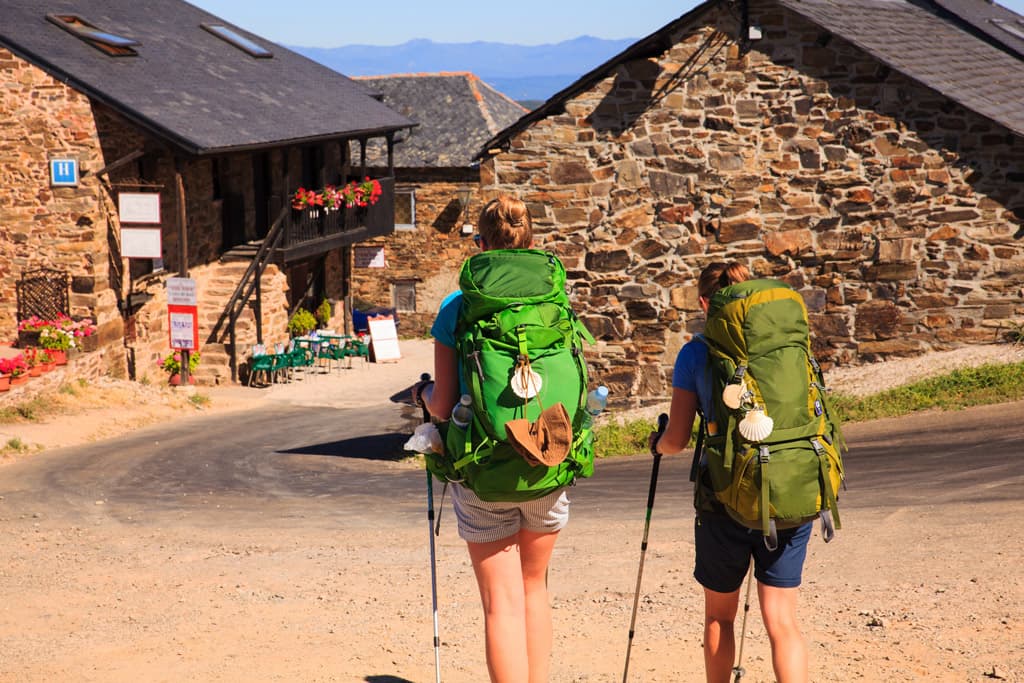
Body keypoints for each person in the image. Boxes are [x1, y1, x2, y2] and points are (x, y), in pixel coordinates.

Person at [418, 194, 569, 683]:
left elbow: (441, 405)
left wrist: (421, 392)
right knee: (534, 590)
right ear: (531, 243)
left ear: (479, 245)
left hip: (483, 468)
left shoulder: (457, 307)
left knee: (500, 604)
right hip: (547, 458)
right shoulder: (555, 299)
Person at [649, 261, 811, 683]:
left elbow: (678, 439)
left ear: (706, 302)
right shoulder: (786, 345)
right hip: (789, 489)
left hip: (724, 498)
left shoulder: (695, 353)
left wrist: (657, 443)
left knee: (720, 617)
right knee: (782, 620)